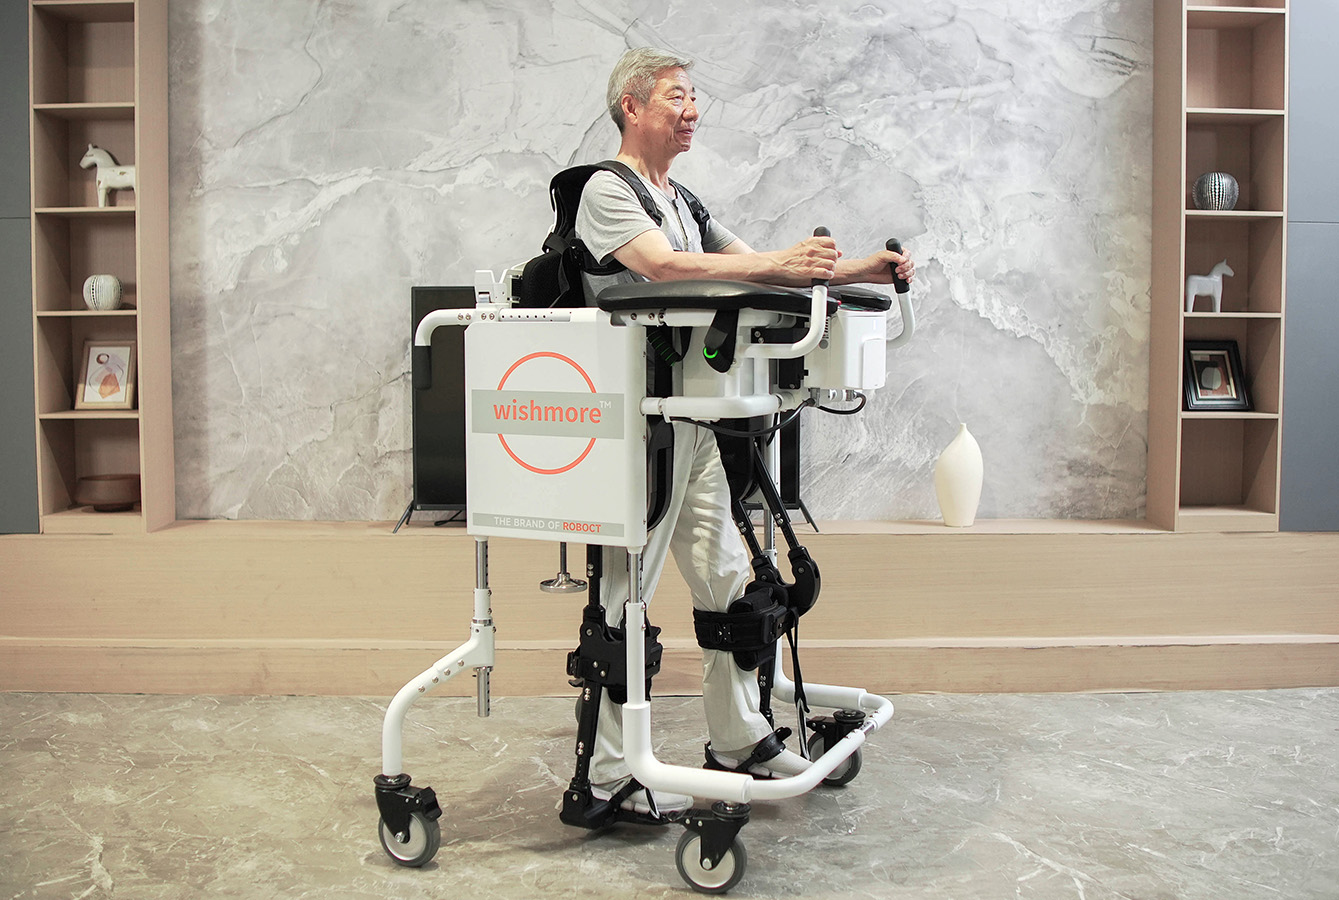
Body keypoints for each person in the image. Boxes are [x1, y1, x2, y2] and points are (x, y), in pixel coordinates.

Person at [573, 48, 915, 817]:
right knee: (624, 598)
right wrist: (785, 263)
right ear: (632, 106)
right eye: (676, 96)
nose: (692, 110)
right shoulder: (607, 189)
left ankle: (738, 740)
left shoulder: (683, 200)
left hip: (691, 415)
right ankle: (605, 778)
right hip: (636, 424)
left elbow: (755, 265)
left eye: (695, 97)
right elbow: (661, 268)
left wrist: (862, 270)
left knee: (733, 586)